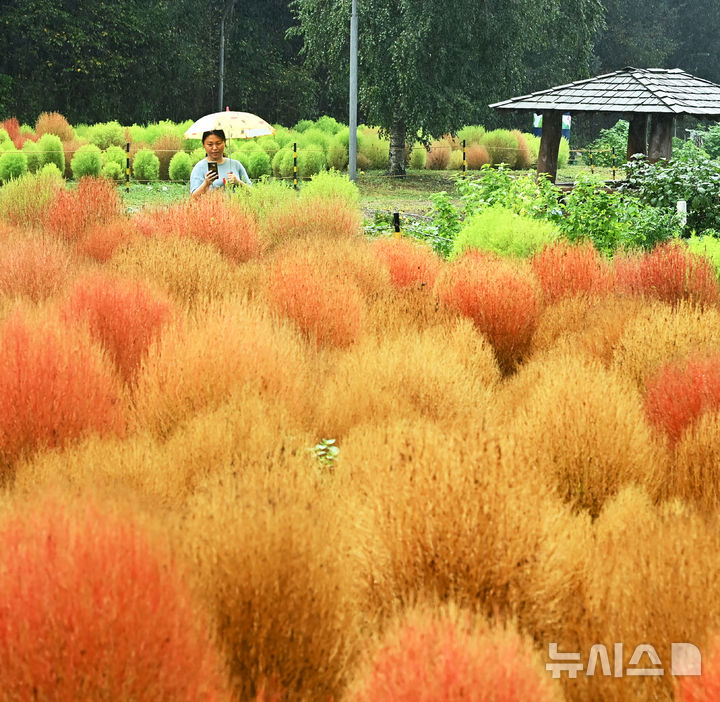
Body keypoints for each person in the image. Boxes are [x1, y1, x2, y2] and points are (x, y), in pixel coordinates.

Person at [190, 129, 252, 198]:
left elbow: (252, 192)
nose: (215, 148)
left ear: (224, 143)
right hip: (211, 208)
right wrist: (206, 184)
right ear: (203, 145)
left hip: (235, 207)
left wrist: (238, 182)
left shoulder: (235, 164)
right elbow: (194, 197)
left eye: (218, 143)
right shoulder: (199, 167)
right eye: (210, 144)